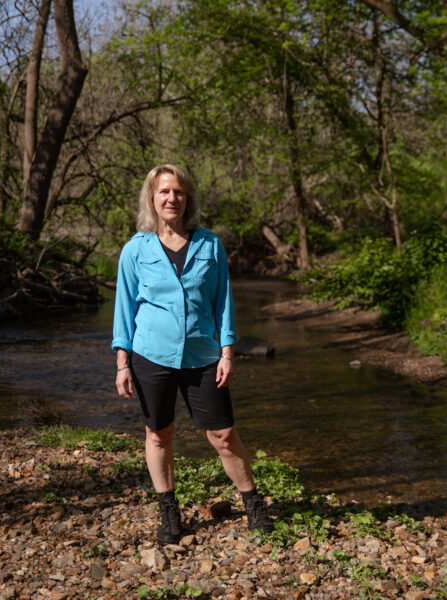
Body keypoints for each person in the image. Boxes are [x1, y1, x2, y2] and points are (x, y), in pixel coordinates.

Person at [111, 164, 273, 545]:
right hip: (150, 356)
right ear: (152, 199)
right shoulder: (136, 249)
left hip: (203, 356)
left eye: (179, 192)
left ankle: (253, 504)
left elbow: (224, 303)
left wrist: (228, 352)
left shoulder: (209, 244)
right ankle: (169, 514)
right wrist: (122, 362)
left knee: (225, 435)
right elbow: (124, 310)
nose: (172, 198)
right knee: (158, 436)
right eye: (164, 192)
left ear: (188, 198)